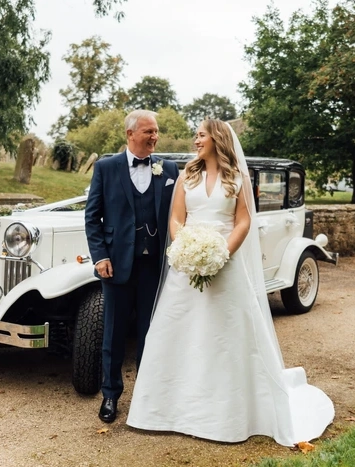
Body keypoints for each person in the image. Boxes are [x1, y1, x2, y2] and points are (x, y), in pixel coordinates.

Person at [126, 119, 335, 446]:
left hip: (226, 263)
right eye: (196, 136)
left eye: (201, 135)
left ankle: (226, 415)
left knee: (225, 336)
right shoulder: (186, 176)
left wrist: (221, 253)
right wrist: (186, 250)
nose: (195, 141)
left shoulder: (237, 179)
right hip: (187, 267)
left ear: (217, 139)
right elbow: (176, 217)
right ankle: (165, 411)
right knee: (178, 332)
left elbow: (243, 221)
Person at [84, 109, 180, 423]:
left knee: (150, 332)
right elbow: (92, 218)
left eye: (156, 131)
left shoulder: (168, 169)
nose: (155, 137)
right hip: (116, 266)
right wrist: (100, 257)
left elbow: (180, 213)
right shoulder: (106, 168)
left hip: (154, 265)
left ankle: (146, 395)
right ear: (130, 134)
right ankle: (110, 395)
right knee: (113, 333)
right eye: (149, 131)